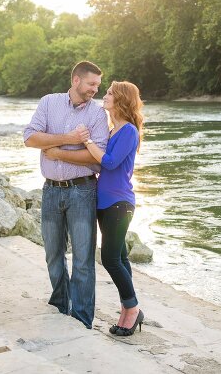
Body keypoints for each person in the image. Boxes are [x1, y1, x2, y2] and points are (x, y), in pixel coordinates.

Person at [45, 80, 145, 336]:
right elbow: (100, 165)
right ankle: (128, 308)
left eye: (110, 93)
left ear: (121, 100)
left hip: (119, 204)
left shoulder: (129, 131)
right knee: (120, 257)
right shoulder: (114, 130)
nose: (105, 95)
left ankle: (132, 309)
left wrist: (87, 142)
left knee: (110, 259)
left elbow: (109, 163)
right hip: (104, 202)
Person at [24, 60, 109, 329]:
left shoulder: (97, 115)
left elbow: (96, 161)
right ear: (76, 80)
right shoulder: (49, 103)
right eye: (91, 84)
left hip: (83, 190)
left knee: (83, 260)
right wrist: (69, 138)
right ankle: (61, 305)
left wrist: (59, 149)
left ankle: (82, 318)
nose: (95, 89)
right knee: (52, 254)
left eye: (98, 85)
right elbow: (30, 138)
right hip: (50, 190)